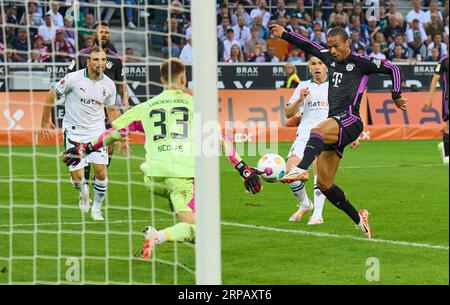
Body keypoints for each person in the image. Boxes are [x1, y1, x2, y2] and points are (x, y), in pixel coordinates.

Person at [61, 58, 262, 260]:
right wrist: (243, 168)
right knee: (203, 231)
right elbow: (218, 138)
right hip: (181, 175)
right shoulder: (195, 105)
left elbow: (113, 133)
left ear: (161, 79)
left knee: (191, 226)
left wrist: (86, 148)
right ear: (183, 78)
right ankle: (157, 236)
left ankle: (167, 233)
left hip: (153, 177)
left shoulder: (147, 106)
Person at [269, 23, 407, 239]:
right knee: (325, 184)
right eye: (329, 47)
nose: (332, 51)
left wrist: (396, 94)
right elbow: (306, 44)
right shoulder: (328, 58)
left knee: (317, 129)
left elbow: (394, 69)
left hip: (351, 120)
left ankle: (301, 168)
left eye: (336, 46)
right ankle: (360, 219)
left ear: (347, 43)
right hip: (336, 125)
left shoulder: (362, 62)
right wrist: (284, 34)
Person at [40, 48, 120, 221]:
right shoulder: (73, 78)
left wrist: (118, 133)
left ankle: (97, 209)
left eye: (103, 59)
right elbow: (51, 95)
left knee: (101, 173)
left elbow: (112, 112)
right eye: (96, 59)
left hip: (97, 134)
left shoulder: (109, 85)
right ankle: (83, 192)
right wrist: (45, 121)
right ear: (88, 62)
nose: (100, 63)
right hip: (74, 132)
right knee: (77, 177)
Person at [75, 21, 129, 184]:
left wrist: (125, 105)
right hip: (85, 107)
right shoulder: (82, 55)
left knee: (109, 143)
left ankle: (99, 176)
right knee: (84, 142)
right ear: (94, 35)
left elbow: (121, 85)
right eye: (101, 32)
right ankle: (84, 175)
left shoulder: (116, 59)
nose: (104, 35)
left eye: (107, 33)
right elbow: (71, 79)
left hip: (108, 107)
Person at [284, 56, 330, 225]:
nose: (317, 67)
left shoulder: (334, 86)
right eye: (313, 64)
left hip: (326, 132)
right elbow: (288, 113)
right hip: (304, 134)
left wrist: (352, 136)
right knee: (291, 170)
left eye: (320, 63)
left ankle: (318, 214)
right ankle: (305, 204)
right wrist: (299, 100)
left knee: (320, 170)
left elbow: (343, 111)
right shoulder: (303, 86)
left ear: (326, 66)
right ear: (309, 67)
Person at [423, 54, 449, 164]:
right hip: (448, 97)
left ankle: (444, 145)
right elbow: (435, 79)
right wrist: (429, 99)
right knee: (448, 124)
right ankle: (447, 155)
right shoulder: (444, 60)